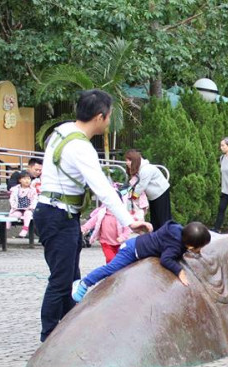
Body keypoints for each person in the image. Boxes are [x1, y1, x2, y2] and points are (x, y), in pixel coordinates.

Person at [34, 89, 150, 342]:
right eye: (109, 116)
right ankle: (49, 336)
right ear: (100, 117)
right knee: (62, 278)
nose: (109, 121)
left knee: (70, 274)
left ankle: (68, 327)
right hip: (57, 215)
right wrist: (130, 222)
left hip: (58, 214)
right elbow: (105, 191)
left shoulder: (63, 130)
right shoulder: (80, 148)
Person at [73, 221, 211, 302]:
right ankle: (84, 283)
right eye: (199, 248)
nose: (199, 251)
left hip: (136, 243)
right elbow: (166, 259)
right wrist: (179, 271)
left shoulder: (176, 229)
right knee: (111, 269)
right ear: (191, 246)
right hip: (131, 251)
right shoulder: (174, 247)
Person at [80, 188, 134, 263]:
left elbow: (127, 229)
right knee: (110, 259)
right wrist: (84, 228)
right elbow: (92, 222)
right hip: (105, 242)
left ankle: (116, 273)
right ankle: (110, 272)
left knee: (119, 261)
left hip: (119, 243)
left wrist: (123, 237)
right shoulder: (102, 213)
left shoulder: (122, 215)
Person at [125, 149, 171, 230]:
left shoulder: (146, 169)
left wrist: (133, 196)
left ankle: (165, 236)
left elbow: (141, 186)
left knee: (162, 218)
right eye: (126, 160)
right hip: (153, 195)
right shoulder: (139, 168)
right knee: (155, 217)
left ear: (134, 160)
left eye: (129, 160)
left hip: (161, 192)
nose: (127, 162)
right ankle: (157, 236)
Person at [8, 171, 37, 237]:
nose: (27, 180)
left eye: (29, 179)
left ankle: (25, 229)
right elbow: (12, 199)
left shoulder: (33, 190)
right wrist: (14, 206)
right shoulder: (15, 189)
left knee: (28, 214)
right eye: (24, 178)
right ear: (20, 180)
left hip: (29, 209)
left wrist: (31, 207)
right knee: (16, 214)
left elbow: (35, 200)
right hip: (17, 208)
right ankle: (7, 226)